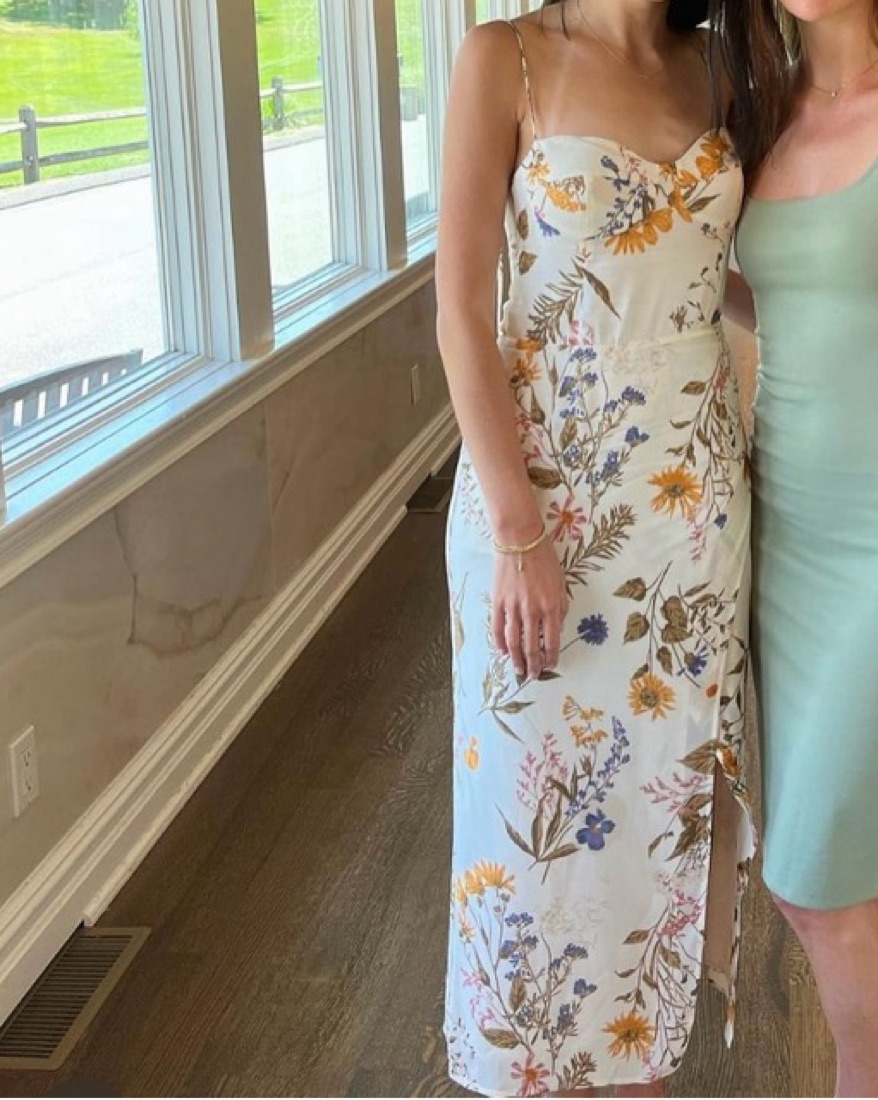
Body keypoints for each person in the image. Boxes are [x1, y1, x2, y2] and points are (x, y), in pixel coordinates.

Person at [436, 2, 755, 1094]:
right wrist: (518, 530)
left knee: (653, 833)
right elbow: (458, 312)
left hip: (691, 524)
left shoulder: (721, 66)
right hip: (542, 521)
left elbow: (720, 270)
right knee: (532, 842)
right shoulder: (506, 58)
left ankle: (640, 1069)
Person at [719, 1, 878, 1095]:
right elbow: (761, 288)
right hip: (783, 525)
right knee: (831, 863)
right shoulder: (754, 117)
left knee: (812, 879)